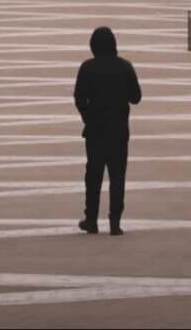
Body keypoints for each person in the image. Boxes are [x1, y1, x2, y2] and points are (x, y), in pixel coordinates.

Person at [72, 25, 141, 235]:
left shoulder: (87, 68)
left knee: (93, 175)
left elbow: (78, 98)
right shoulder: (125, 67)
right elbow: (136, 97)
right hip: (119, 131)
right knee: (117, 177)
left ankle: (91, 219)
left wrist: (88, 117)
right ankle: (115, 222)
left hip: (95, 130)